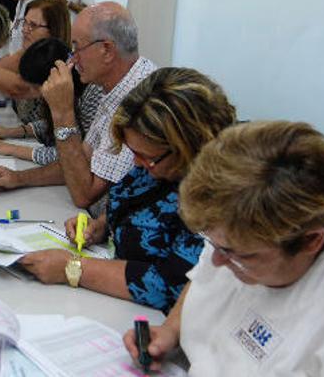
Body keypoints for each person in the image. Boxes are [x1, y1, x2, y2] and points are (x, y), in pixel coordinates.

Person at [124, 121, 324, 374]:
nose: (215, 261)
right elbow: (205, 278)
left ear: (310, 242)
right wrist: (171, 331)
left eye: (234, 254)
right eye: (213, 243)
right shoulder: (241, 226)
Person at [18, 68, 237, 314]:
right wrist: (100, 226)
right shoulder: (157, 167)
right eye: (134, 153)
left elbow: (171, 283)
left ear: (186, 146)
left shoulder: (217, 197)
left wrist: (73, 267)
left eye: (148, 157)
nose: (136, 164)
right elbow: (134, 204)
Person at [0, 2, 157, 215]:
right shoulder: (114, 87)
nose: (72, 59)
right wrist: (18, 178)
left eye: (78, 48)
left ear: (107, 50)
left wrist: (63, 113)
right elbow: (78, 164)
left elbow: (84, 194)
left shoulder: (137, 100)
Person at [0, 37, 103, 166]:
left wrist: (9, 148)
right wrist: (12, 132)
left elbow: (73, 157)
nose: (34, 95)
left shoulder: (93, 94)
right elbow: (49, 125)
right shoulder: (73, 88)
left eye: (35, 88)